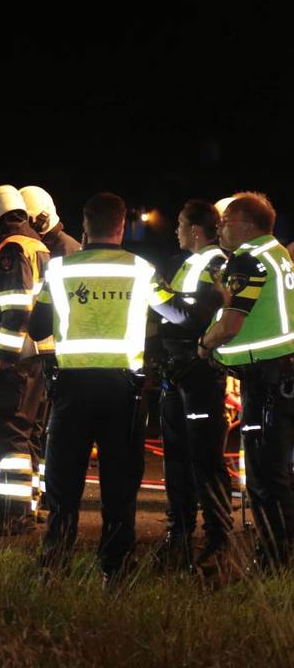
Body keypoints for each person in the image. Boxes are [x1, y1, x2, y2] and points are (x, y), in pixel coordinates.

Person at [31, 192, 193, 581]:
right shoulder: (141, 269)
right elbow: (179, 314)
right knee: (120, 482)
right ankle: (115, 569)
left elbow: (36, 327)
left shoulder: (59, 271)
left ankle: (54, 563)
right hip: (124, 389)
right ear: (121, 226)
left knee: (63, 480)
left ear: (84, 225)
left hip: (71, 387)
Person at [198, 192, 294, 571]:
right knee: (278, 472)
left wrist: (205, 346)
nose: (219, 228)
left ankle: (273, 563)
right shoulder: (278, 254)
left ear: (246, 224)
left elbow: (231, 323)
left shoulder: (249, 260)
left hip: (266, 379)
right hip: (282, 374)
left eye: (225, 222)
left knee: (265, 477)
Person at [153, 199, 233, 570]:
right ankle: (178, 535)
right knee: (177, 459)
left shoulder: (216, 263)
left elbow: (193, 316)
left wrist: (155, 293)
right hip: (176, 371)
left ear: (196, 230)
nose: (176, 230)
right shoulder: (189, 263)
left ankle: (218, 539)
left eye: (181, 224)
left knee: (204, 459)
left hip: (199, 372)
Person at [0, 185, 51, 535]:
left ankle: (13, 517)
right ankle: (22, 510)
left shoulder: (13, 247)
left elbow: (18, 306)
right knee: (28, 435)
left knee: (10, 436)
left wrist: (3, 356)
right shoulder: (37, 244)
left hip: (16, 360)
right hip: (38, 357)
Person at [19, 185, 81, 520]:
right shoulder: (51, 246)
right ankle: (39, 496)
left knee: (47, 433)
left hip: (55, 355)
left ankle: (45, 499)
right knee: (39, 431)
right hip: (46, 354)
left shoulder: (64, 250)